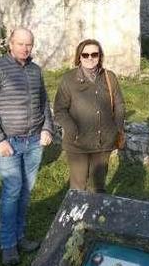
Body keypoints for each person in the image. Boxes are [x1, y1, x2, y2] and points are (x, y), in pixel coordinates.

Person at [0, 27, 54, 266]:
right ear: (10, 44)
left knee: (25, 192)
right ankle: (8, 244)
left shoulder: (35, 70)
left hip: (34, 142)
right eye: (20, 44)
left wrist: (47, 128)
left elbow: (44, 102)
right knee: (12, 192)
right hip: (9, 143)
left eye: (29, 44)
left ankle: (21, 237)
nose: (25, 48)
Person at [53, 39, 125, 193]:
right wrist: (72, 129)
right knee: (78, 186)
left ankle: (95, 215)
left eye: (94, 54)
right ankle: (77, 216)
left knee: (98, 186)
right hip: (78, 143)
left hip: (103, 142)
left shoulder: (109, 77)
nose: (90, 58)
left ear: (100, 56)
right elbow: (59, 109)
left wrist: (117, 128)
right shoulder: (69, 79)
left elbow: (119, 104)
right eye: (85, 55)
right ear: (79, 57)